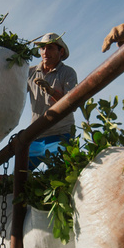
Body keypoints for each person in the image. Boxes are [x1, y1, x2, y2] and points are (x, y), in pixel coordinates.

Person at [27, 32, 78, 168]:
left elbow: (72, 104)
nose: (45, 52)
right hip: (36, 136)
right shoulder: (31, 73)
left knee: (62, 175)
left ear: (60, 51)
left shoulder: (68, 73)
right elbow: (13, 91)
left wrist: (51, 91)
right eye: (42, 48)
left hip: (61, 134)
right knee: (21, 175)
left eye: (50, 48)